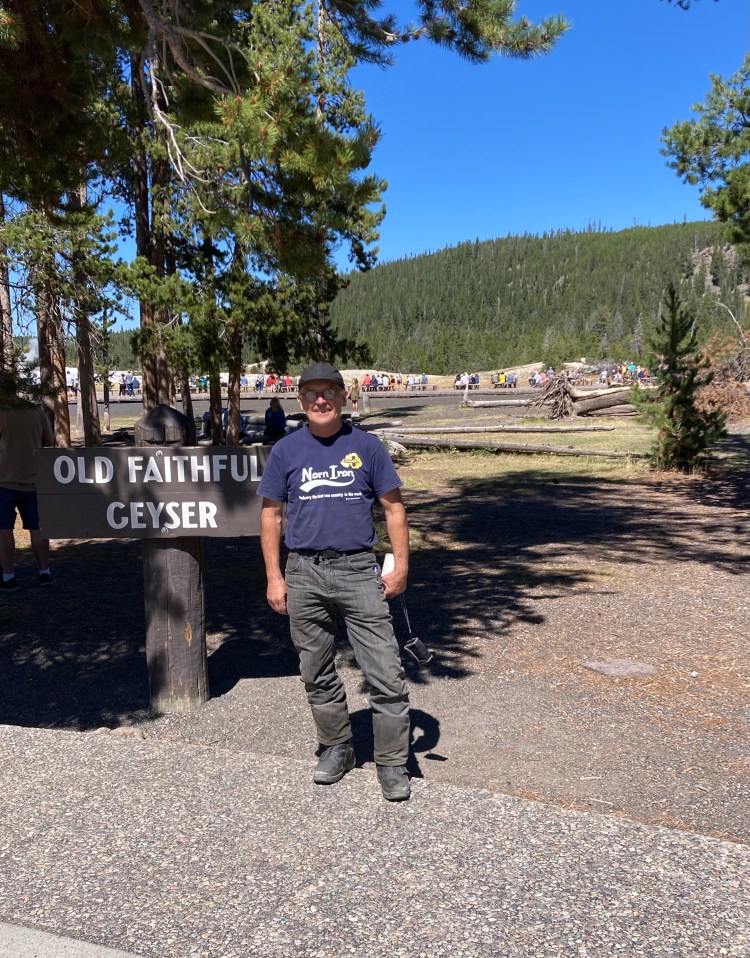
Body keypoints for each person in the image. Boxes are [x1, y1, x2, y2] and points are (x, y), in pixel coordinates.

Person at [258, 361, 411, 801]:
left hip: (358, 569)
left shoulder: (367, 447)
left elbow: (394, 509)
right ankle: (337, 747)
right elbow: (270, 516)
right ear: (300, 399)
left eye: (328, 391)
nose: (320, 399)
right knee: (316, 669)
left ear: (344, 397)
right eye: (311, 392)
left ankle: (392, 762)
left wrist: (401, 566)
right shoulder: (286, 450)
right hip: (303, 572)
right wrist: (274, 577)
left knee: (385, 671)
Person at [0, 373, 55, 592]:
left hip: (3, 481)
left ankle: (8, 577)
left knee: (4, 530)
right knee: (37, 527)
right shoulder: (35, 410)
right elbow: (49, 441)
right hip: (33, 480)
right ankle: (45, 572)